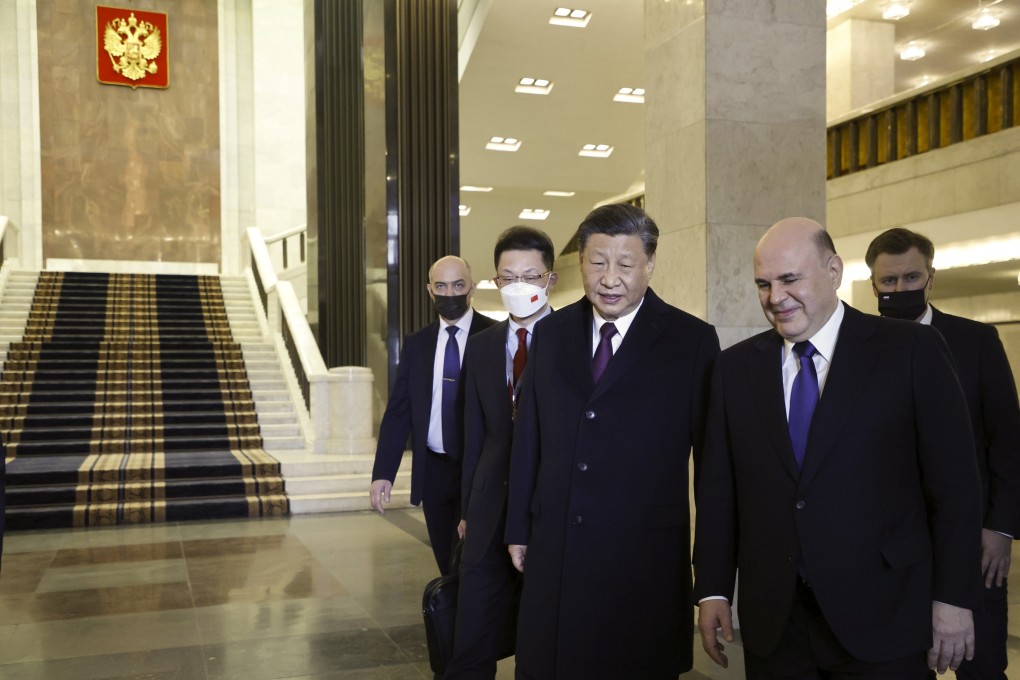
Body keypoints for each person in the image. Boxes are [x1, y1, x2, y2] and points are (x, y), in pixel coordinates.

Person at [695, 217, 983, 678]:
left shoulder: (911, 349)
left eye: (790, 279)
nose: (775, 297)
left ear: (833, 271)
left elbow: (955, 487)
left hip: (885, 613)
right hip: (777, 622)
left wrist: (952, 598)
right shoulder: (735, 370)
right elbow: (718, 492)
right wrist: (711, 589)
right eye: (763, 284)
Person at [505, 203, 720, 679]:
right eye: (597, 262)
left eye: (625, 264)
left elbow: (713, 472)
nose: (610, 278)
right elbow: (530, 439)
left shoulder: (692, 341)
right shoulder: (551, 333)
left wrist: (712, 582)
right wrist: (518, 526)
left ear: (649, 265)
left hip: (643, 561)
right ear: (579, 263)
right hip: (558, 550)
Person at [866, 227, 1020, 680]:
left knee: (983, 661)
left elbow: (1008, 442)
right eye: (888, 282)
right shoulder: (857, 346)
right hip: (890, 547)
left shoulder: (977, 341)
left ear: (931, 278)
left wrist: (1002, 528)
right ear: (873, 283)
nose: (899, 290)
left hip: (973, 540)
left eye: (911, 278)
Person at [444, 226, 558, 680]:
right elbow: (475, 435)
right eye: (508, 277)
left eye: (530, 276)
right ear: (494, 281)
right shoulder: (483, 345)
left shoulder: (574, 339)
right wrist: (469, 506)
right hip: (489, 504)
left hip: (546, 506)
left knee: (539, 627)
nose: (519, 286)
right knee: (472, 628)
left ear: (549, 280)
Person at [370, 255, 496, 575]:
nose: (449, 293)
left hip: (482, 473)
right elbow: (399, 411)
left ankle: (476, 624)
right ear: (430, 290)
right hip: (434, 473)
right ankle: (453, 624)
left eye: (458, 285)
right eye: (441, 285)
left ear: (472, 288)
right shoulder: (417, 345)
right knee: (447, 564)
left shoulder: (496, 337)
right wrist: (383, 472)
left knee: (480, 567)